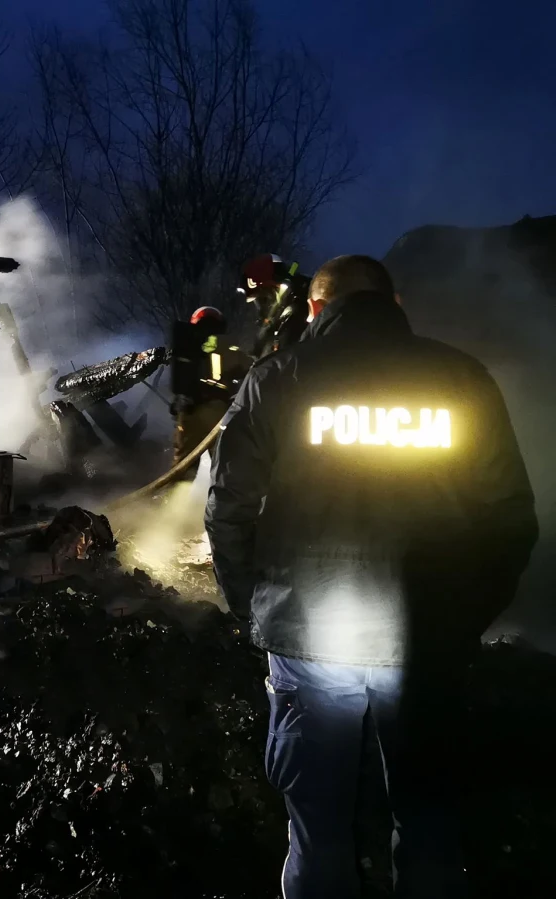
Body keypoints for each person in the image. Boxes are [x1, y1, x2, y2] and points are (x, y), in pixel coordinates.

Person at [205, 255, 538, 898]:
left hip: (308, 637)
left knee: (318, 832)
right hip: (424, 639)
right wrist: (464, 617)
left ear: (314, 309)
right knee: (430, 823)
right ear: (397, 302)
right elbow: (511, 519)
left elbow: (228, 509)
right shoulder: (461, 379)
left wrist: (256, 611)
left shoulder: (278, 378)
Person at [168, 306, 250, 481]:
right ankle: (224, 507)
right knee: (225, 468)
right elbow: (250, 367)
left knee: (182, 469)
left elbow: (179, 377)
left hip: (188, 411)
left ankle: (170, 504)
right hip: (218, 412)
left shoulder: (188, 343)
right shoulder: (228, 344)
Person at [239, 254, 312, 358]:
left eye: (261, 298)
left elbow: (285, 356)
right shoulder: (278, 318)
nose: (260, 306)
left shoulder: (300, 307)